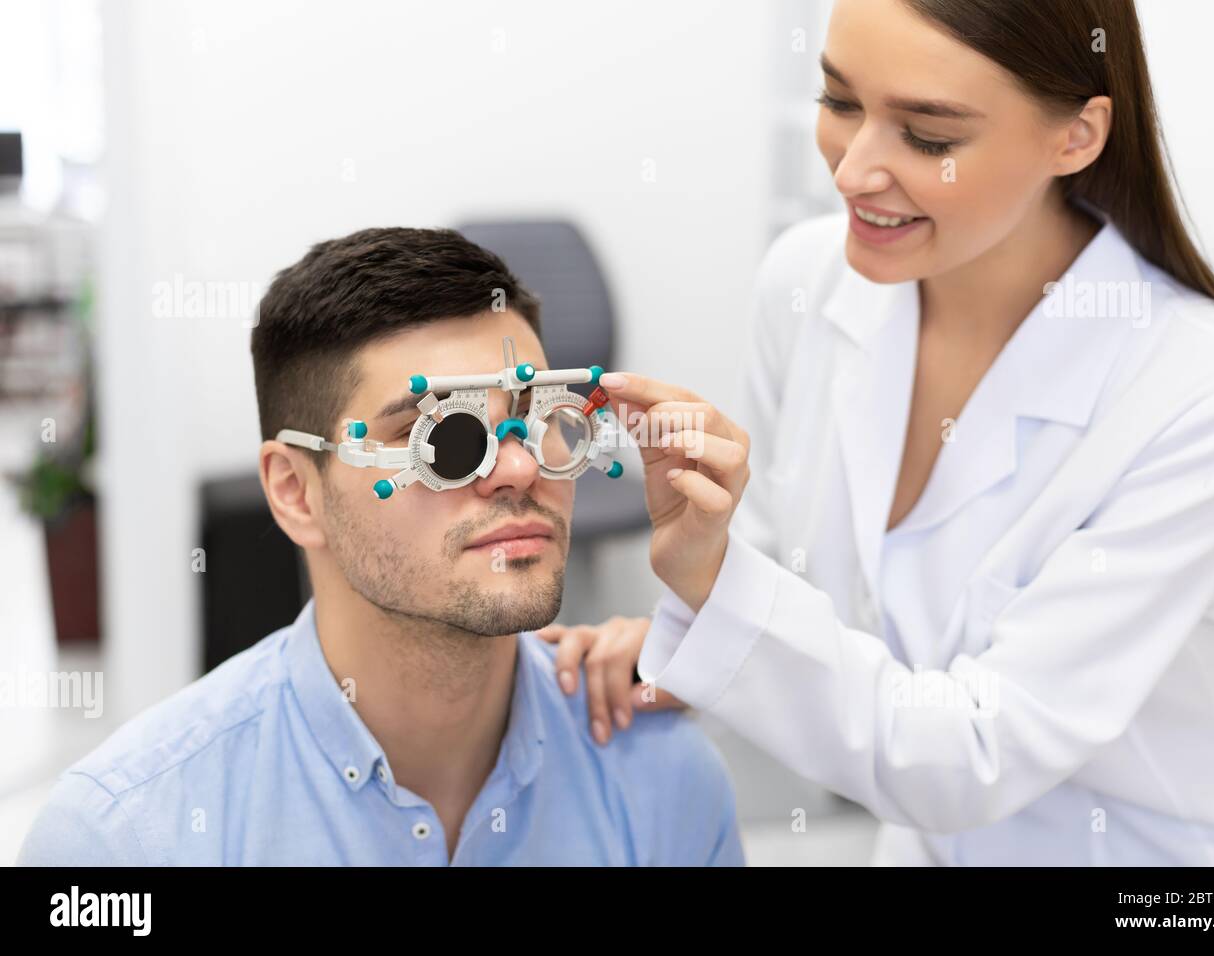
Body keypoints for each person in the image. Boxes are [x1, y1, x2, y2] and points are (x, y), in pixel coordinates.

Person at [539, 0, 1214, 866]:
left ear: (1077, 137)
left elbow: (978, 751)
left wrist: (721, 598)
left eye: (929, 137)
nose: (854, 170)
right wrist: (683, 638)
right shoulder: (809, 284)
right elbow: (786, 566)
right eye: (839, 102)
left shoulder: (1205, 388)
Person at [18, 227, 743, 867]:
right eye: (445, 439)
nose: (520, 469)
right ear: (297, 492)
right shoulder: (127, 839)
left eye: (541, 415)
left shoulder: (662, 779)